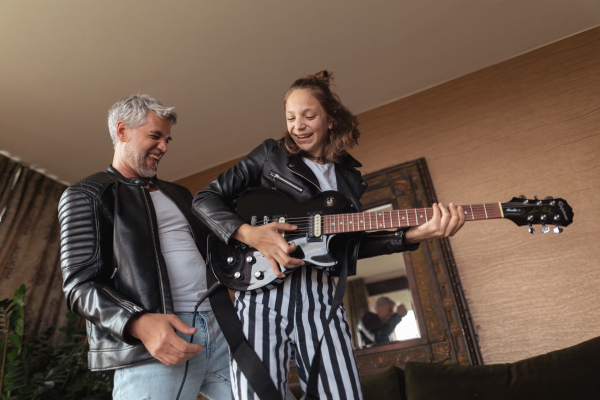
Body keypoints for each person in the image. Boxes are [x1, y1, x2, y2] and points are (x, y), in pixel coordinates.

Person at [192, 71, 465, 400]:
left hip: (320, 294)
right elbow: (204, 200)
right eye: (291, 117)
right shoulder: (269, 155)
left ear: (331, 118)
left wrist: (415, 234)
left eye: (309, 115)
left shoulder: (348, 181)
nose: (298, 125)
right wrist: (250, 234)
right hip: (260, 292)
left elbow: (351, 248)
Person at [58, 95, 231, 400]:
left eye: (167, 139)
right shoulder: (88, 194)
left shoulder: (180, 193)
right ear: (122, 131)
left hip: (222, 328)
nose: (164, 146)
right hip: (157, 343)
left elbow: (216, 254)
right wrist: (138, 322)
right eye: (155, 136)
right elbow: (79, 286)